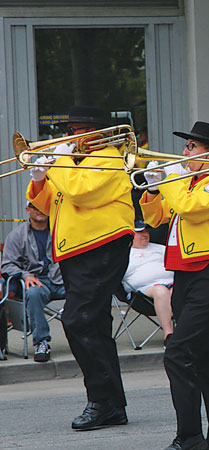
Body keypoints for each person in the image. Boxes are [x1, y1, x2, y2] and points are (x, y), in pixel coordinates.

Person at [27, 105, 134, 431]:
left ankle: (101, 401)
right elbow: (50, 205)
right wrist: (39, 178)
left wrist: (57, 163)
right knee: (95, 324)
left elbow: (81, 192)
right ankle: (112, 404)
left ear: (96, 131)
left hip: (102, 246)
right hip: (77, 251)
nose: (71, 136)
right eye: (71, 129)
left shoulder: (109, 157)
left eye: (77, 130)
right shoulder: (72, 163)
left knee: (78, 319)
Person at [141, 121, 209, 450]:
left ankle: (189, 435)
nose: (184, 153)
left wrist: (170, 180)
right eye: (186, 147)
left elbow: (188, 208)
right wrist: (154, 189)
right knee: (204, 357)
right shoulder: (189, 184)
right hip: (186, 277)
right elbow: (156, 218)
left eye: (191, 147)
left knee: (178, 352)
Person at [1, 202, 65, 362]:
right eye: (35, 207)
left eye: (43, 206)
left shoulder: (61, 231)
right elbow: (7, 264)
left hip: (61, 279)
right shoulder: (17, 235)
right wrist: (24, 275)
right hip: (36, 281)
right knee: (33, 293)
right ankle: (41, 343)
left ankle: (87, 339)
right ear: (28, 210)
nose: (39, 211)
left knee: (87, 289)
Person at [122, 221, 174, 341]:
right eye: (140, 232)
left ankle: (188, 334)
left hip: (173, 285)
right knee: (161, 291)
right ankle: (169, 334)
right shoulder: (125, 254)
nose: (145, 234)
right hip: (143, 293)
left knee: (183, 291)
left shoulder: (161, 248)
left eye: (146, 231)